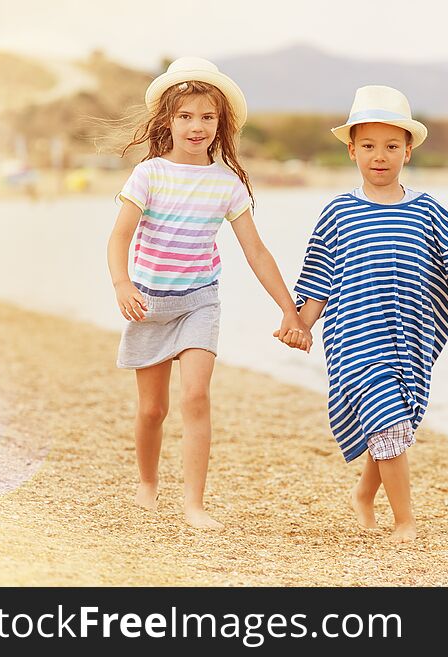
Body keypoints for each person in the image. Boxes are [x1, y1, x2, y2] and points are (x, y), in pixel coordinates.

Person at [107, 57, 311, 530]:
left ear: (221, 125)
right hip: (149, 303)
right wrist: (121, 284)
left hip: (199, 301)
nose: (196, 126)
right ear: (167, 121)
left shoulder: (227, 183)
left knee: (196, 397)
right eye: (186, 116)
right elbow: (119, 238)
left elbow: (256, 251)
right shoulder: (149, 175)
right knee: (152, 409)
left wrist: (290, 310)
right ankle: (147, 483)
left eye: (207, 117)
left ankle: (194, 504)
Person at [285, 85, 448, 542]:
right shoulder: (338, 212)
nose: (381, 156)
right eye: (369, 146)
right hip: (354, 340)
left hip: (409, 339)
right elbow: (318, 275)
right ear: (352, 151)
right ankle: (405, 521)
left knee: (391, 422)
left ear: (408, 152)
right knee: (387, 416)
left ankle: (363, 494)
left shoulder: (426, 210)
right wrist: (300, 323)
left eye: (392, 146)